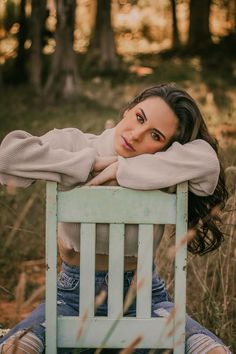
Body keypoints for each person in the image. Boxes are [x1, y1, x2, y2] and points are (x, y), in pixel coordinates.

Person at [0, 83, 231, 354]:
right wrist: (86, 164)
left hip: (145, 299)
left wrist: (122, 169)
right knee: (16, 349)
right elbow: (7, 157)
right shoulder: (76, 144)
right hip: (70, 298)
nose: (136, 135)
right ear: (128, 109)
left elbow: (207, 164)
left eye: (155, 135)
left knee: (212, 351)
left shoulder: (162, 165)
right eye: (139, 117)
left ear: (166, 146)